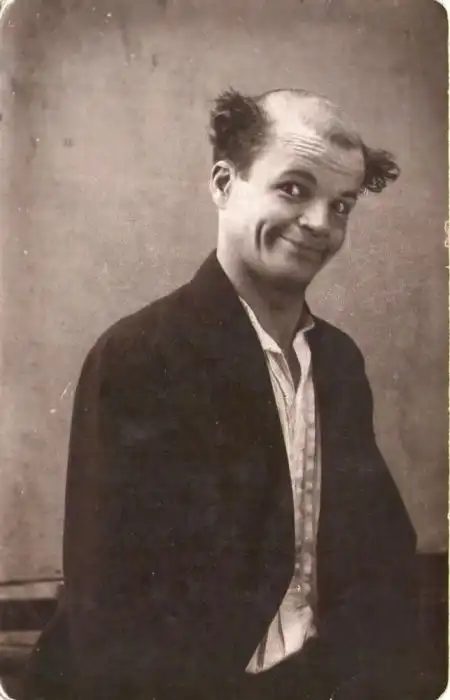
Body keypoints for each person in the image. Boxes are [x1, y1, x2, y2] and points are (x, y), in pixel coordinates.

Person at [24, 88, 418, 700]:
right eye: (294, 188)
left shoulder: (338, 361)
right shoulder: (139, 357)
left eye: (341, 205)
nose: (321, 224)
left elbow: (381, 557)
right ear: (224, 184)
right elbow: (115, 620)